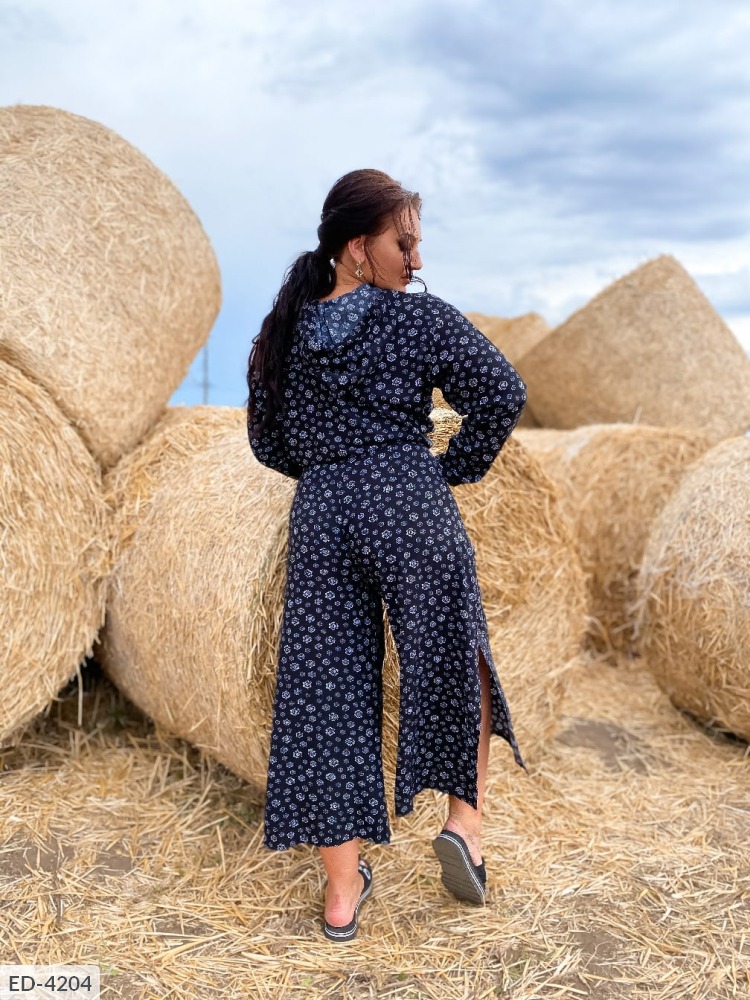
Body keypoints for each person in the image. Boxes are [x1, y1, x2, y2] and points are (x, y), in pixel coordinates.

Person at [245, 168, 528, 942]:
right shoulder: (418, 319)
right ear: (355, 247)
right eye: (404, 243)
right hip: (408, 499)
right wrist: (448, 469)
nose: (417, 258)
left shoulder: (282, 333)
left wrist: (328, 470)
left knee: (325, 692)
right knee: (453, 651)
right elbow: (502, 391)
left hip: (323, 516)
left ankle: (342, 893)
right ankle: (464, 823)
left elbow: (267, 442)